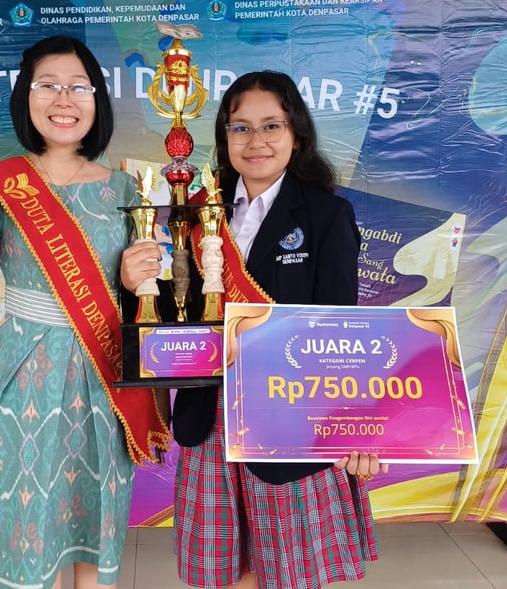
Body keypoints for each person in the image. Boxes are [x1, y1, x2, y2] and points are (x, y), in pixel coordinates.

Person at [0, 35, 170, 589]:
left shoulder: (125, 188)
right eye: (48, 86)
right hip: (26, 377)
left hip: (103, 374)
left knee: (97, 519)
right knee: (28, 525)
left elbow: (141, 296)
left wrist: (132, 281)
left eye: (78, 87)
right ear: (26, 97)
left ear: (97, 100)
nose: (63, 99)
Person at [121, 71, 388, 589]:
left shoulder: (327, 215)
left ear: (297, 135)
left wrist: (356, 427)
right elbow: (178, 311)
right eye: (240, 127)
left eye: (271, 126)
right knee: (226, 569)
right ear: (224, 137)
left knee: (287, 570)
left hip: (291, 418)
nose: (255, 140)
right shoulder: (195, 212)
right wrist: (138, 283)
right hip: (210, 412)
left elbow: (343, 333)